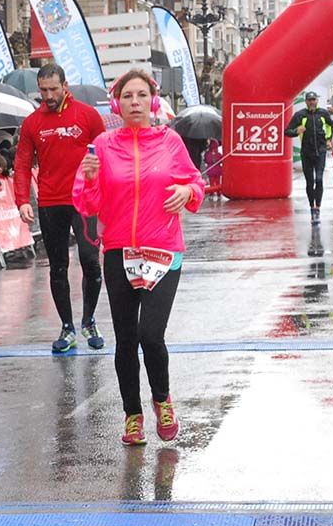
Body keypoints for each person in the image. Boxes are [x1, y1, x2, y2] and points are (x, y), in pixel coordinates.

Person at [73, 69, 205, 446]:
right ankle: (133, 415)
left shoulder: (170, 142)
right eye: (127, 96)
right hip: (119, 252)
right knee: (127, 338)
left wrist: (187, 192)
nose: (135, 103)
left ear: (152, 100)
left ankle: (162, 399)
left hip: (163, 250)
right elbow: (85, 203)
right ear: (117, 103)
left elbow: (196, 183)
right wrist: (92, 178)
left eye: (141, 96)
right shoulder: (101, 145)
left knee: (151, 334)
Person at [14, 63, 106, 352]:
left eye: (54, 89)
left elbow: (106, 154)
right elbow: (22, 164)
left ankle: (89, 320)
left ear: (65, 86)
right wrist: (21, 201)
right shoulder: (32, 122)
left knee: (90, 261)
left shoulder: (88, 116)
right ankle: (67, 327)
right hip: (51, 202)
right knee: (57, 267)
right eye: (43, 91)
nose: (49, 95)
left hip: (84, 200)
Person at [284, 91, 333, 225]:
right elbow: (286, 132)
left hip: (321, 152)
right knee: (310, 182)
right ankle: (312, 207)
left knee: (319, 179)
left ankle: (318, 207)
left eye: (314, 100)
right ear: (306, 102)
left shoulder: (323, 113)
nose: (312, 102)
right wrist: (296, 131)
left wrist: (329, 139)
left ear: (317, 101)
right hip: (306, 153)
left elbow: (330, 126)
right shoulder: (300, 115)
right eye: (309, 100)